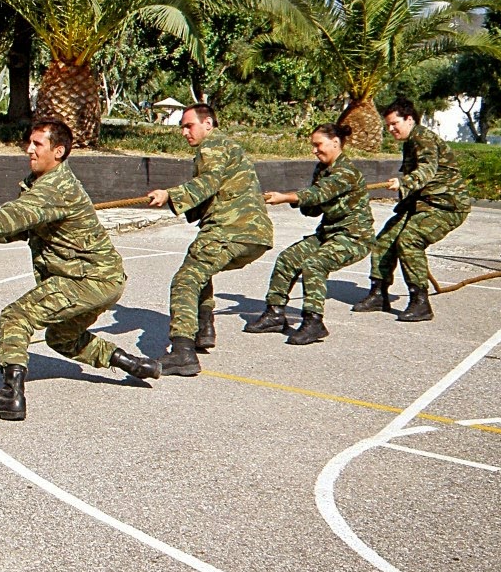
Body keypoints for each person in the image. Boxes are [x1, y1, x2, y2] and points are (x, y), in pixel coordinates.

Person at [0, 121, 161, 420]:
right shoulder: (41, 184)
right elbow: (17, 227)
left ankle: (11, 396)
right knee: (62, 338)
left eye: (38, 144)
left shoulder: (55, 187)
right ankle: (134, 364)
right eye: (30, 143)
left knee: (15, 316)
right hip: (103, 279)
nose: (29, 149)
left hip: (87, 279)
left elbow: (10, 218)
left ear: (58, 151)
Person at [147, 103, 273, 377]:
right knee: (202, 271)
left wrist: (171, 195)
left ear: (208, 124)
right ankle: (204, 328)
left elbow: (210, 182)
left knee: (185, 280)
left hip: (228, 230)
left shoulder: (212, 146)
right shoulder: (230, 147)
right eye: (182, 126)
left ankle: (182, 353)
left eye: (189, 125)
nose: (184, 132)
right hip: (255, 236)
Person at [248, 123, 373, 344]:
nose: (315, 150)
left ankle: (314, 321)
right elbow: (314, 206)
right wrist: (303, 203)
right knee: (287, 259)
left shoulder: (346, 172)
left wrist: (287, 197)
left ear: (335, 143)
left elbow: (319, 193)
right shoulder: (322, 169)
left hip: (354, 238)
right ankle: (275, 314)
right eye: (313, 146)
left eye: (318, 145)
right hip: (329, 234)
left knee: (315, 264)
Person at [350, 98, 471, 323]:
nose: (390, 129)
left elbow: (427, 169)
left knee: (409, 240)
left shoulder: (423, 138)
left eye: (394, 123)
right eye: (387, 125)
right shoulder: (410, 141)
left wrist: (405, 183)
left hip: (447, 206)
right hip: (422, 204)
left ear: (409, 119)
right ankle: (378, 294)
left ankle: (420, 302)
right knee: (384, 240)